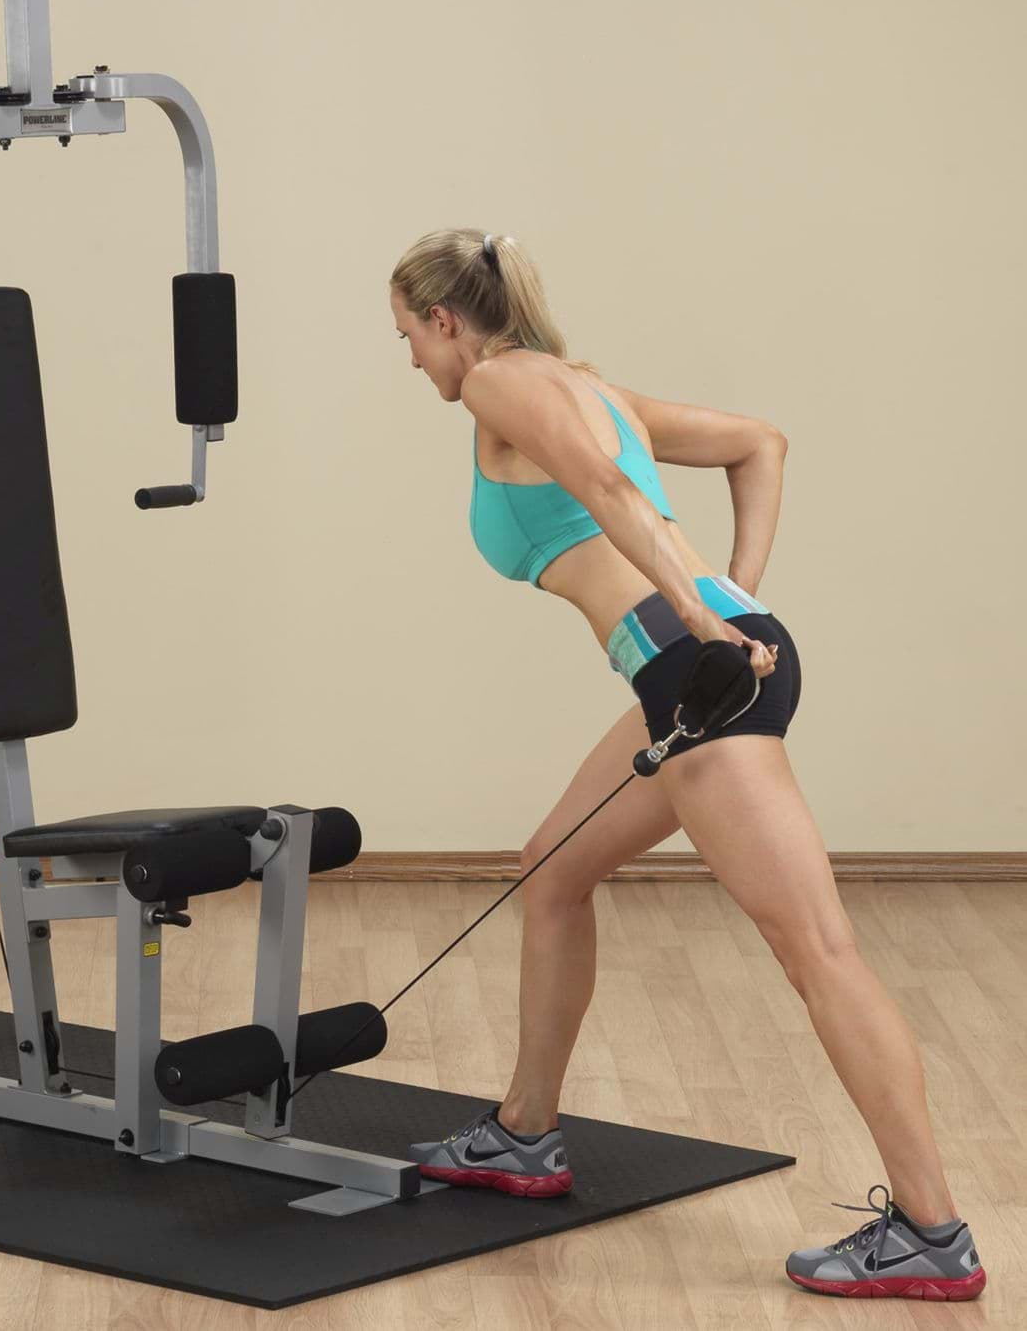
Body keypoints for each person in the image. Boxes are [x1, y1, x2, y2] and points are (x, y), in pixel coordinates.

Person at [389, 228, 986, 1302]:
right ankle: (525, 1133)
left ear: (446, 321)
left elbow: (608, 494)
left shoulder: (499, 384)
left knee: (819, 952)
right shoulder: (588, 387)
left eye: (408, 338)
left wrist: (712, 624)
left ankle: (933, 1230)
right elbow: (763, 443)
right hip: (691, 665)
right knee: (552, 870)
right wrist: (733, 600)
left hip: (696, 669)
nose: (412, 361)